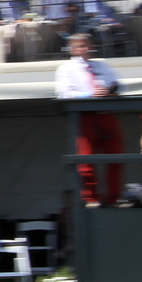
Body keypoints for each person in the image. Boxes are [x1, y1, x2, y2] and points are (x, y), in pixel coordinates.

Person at [55, 33, 123, 206]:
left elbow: (120, 85)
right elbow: (64, 93)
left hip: (107, 114)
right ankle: (91, 198)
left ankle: (113, 198)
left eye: (86, 45)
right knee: (86, 161)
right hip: (86, 115)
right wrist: (90, 95)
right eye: (80, 46)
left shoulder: (102, 65)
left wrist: (111, 90)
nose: (85, 49)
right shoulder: (66, 68)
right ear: (72, 49)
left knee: (116, 158)